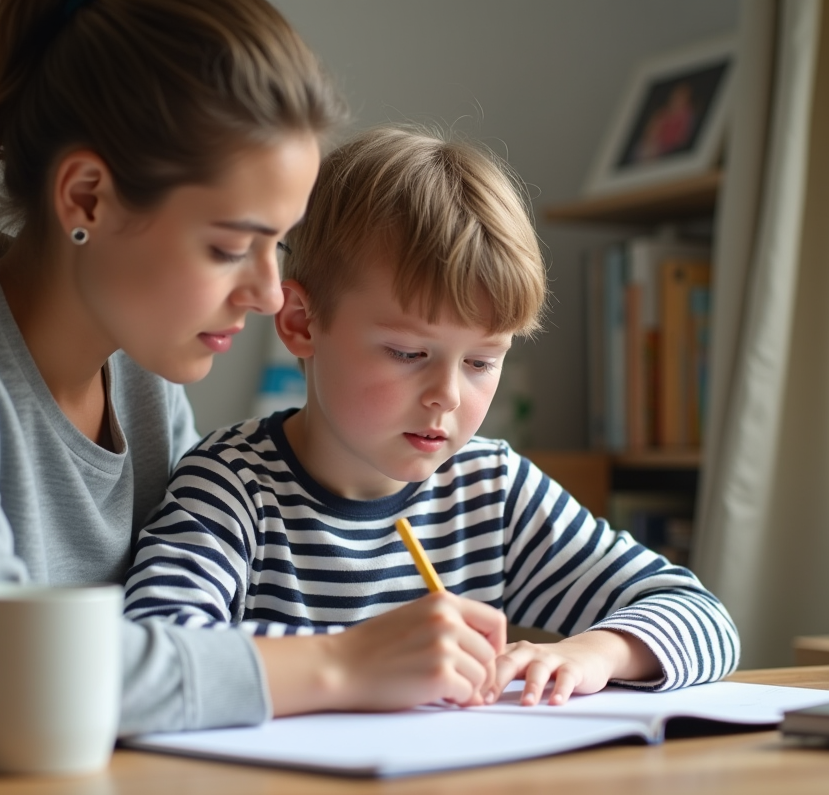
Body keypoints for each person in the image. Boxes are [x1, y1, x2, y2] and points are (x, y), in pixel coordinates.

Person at [0, 0, 470, 736]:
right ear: (87, 197)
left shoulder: (144, 377)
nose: (269, 295)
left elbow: (175, 641)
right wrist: (343, 664)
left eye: (277, 245)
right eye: (226, 246)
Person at [123, 127, 741, 708]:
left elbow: (701, 614)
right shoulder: (232, 484)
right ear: (302, 323)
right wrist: (357, 658)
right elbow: (154, 648)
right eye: (408, 353)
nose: (446, 395)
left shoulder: (490, 491)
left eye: (480, 361)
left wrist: (596, 652)